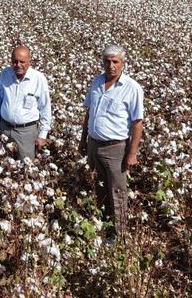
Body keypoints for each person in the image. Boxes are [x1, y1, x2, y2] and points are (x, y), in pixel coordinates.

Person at [78, 45, 144, 239]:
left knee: (117, 193)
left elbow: (137, 123)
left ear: (123, 63)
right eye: (107, 61)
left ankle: (119, 236)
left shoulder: (132, 88)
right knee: (98, 189)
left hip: (116, 149)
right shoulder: (97, 82)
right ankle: (102, 230)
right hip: (93, 145)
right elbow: (89, 113)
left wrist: (132, 153)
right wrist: (83, 140)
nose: (111, 65)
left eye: (115, 61)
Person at [0, 45, 52, 160]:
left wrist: (43, 134)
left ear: (29, 61)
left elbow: (45, 107)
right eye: (15, 61)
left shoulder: (38, 79)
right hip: (5, 128)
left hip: (26, 132)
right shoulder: (5, 74)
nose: (18, 65)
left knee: (25, 167)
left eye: (22, 62)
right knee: (4, 161)